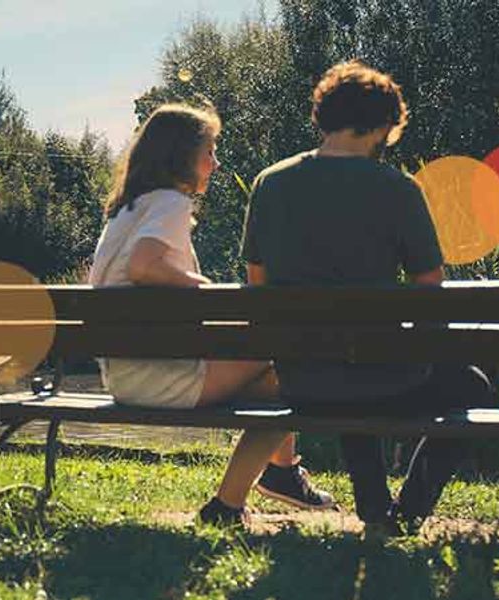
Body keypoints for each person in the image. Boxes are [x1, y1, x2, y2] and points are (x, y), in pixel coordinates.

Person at [240, 60, 491, 538]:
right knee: (470, 385)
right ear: (383, 125)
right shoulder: (398, 189)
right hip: (382, 375)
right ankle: (409, 511)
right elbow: (429, 285)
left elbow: (257, 281)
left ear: (324, 115)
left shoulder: (270, 183)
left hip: (301, 378)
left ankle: (375, 505)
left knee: (347, 361)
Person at [88, 102, 333, 528]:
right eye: (210, 151)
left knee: (276, 379)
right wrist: (208, 293)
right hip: (162, 377)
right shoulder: (169, 202)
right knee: (300, 373)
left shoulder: (127, 209)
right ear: (181, 156)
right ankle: (237, 499)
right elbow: (144, 266)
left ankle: (280, 473)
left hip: (126, 374)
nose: (216, 164)